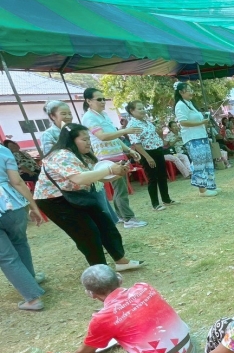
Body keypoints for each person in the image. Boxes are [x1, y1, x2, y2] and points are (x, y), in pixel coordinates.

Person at [50, 265, 195, 353]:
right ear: (119, 278)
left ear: (91, 294)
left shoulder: (103, 318)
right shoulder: (144, 287)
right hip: (190, 350)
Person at [34, 124, 142, 270]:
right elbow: (79, 178)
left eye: (89, 139)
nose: (88, 142)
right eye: (84, 139)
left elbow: (97, 177)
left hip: (76, 194)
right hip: (53, 200)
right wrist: (110, 169)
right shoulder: (61, 155)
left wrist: (118, 172)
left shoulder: (83, 155)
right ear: (71, 140)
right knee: (87, 233)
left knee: (105, 224)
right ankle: (100, 271)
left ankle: (121, 261)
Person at [80, 88, 147, 228]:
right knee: (121, 189)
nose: (103, 102)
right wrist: (125, 131)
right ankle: (129, 218)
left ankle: (122, 216)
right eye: (99, 99)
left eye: (103, 99)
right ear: (89, 101)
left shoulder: (104, 115)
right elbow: (102, 136)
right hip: (106, 158)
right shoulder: (89, 117)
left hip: (117, 155)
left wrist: (129, 150)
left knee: (120, 188)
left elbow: (114, 137)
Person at [0, 142, 45, 311]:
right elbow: (17, 181)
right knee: (20, 243)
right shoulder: (3, 150)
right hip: (12, 204)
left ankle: (32, 298)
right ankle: (30, 279)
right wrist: (33, 206)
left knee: (6, 257)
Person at [125, 101, 176, 211]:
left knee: (162, 176)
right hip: (147, 153)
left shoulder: (147, 122)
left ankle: (166, 199)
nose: (143, 110)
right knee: (152, 178)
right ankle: (155, 204)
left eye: (143, 108)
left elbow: (157, 137)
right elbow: (137, 144)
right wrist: (148, 157)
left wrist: (160, 133)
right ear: (132, 111)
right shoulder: (132, 125)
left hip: (158, 150)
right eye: (139, 108)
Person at [173, 82, 217, 197]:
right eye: (188, 90)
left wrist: (204, 122)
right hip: (192, 138)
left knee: (207, 162)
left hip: (201, 136)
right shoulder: (180, 105)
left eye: (191, 90)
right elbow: (183, 122)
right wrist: (201, 122)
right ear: (181, 92)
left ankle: (210, 186)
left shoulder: (190, 103)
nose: (191, 92)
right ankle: (202, 190)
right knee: (199, 163)